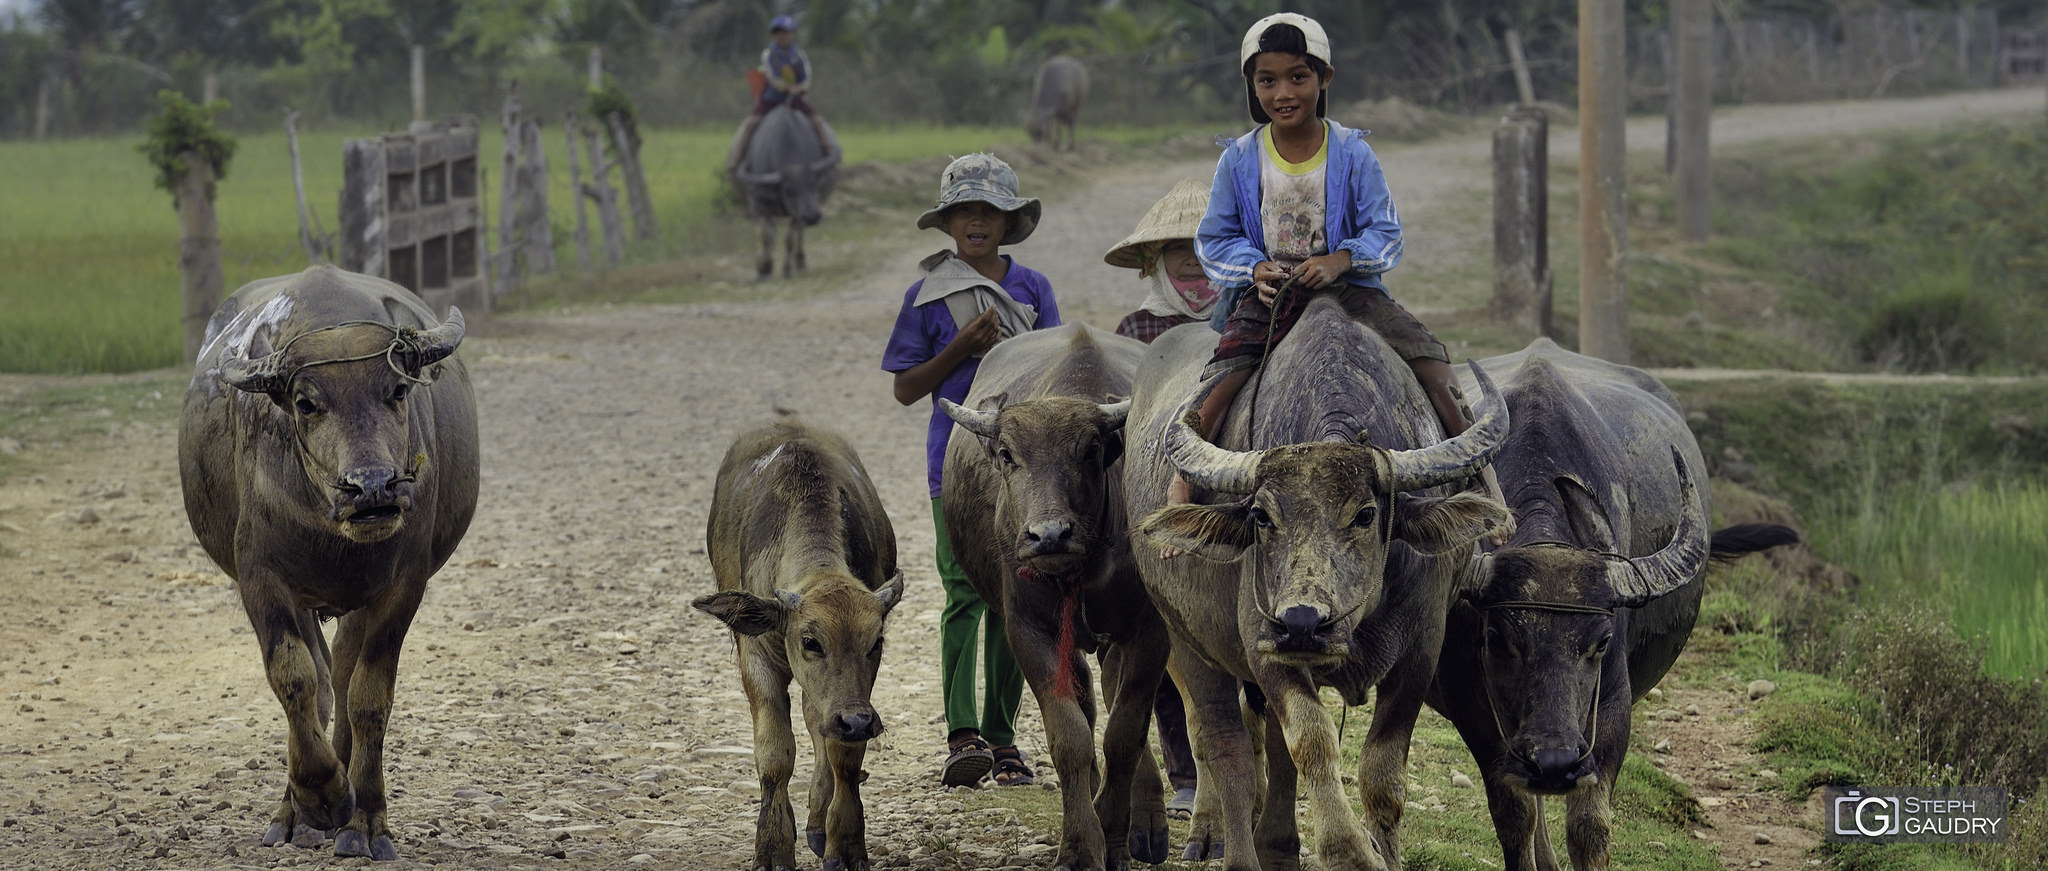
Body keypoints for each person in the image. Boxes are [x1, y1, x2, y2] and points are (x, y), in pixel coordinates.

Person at [1169, 12, 1504, 511]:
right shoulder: (1238, 158)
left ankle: (1482, 474)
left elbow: (1385, 230)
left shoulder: (1353, 152)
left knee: (1429, 356)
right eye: (1268, 80)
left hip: (1351, 292)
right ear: (1251, 85)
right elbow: (1216, 236)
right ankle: (1184, 482)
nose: (1283, 93)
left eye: (1298, 77)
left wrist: (1341, 260)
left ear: (1324, 78)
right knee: (1223, 373)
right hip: (1271, 295)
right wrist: (1254, 267)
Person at [881, 154, 1058, 788]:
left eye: (988, 210)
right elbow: (906, 389)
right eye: (964, 210)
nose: (975, 220)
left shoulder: (1033, 288)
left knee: (1014, 594)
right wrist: (960, 348)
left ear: (1008, 222)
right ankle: (963, 735)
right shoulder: (927, 297)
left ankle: (1005, 738)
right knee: (962, 592)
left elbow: (1054, 373)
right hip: (953, 467)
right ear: (948, 222)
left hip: (1025, 466)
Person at [1103, 178, 1219, 818]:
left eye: (1209, 249)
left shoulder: (1251, 321)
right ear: (1153, 264)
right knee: (1169, 646)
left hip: (1231, 506)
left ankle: (1249, 768)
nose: (1195, 265)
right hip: (1155, 503)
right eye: (1181, 253)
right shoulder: (1138, 329)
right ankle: (1182, 771)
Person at [1104, 177, 1220, 344]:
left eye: (1204, 248)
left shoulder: (1239, 321)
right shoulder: (1136, 328)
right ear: (1157, 261)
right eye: (1179, 248)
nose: (1193, 260)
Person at [726, 15, 837, 173]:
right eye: (778, 33)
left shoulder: (799, 55)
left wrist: (800, 88)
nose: (782, 36)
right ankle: (736, 158)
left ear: (792, 34)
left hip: (795, 97)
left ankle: (829, 153)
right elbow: (771, 75)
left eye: (786, 33)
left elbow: (807, 75)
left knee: (818, 121)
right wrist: (784, 87)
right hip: (773, 98)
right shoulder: (768, 54)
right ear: (773, 35)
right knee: (750, 123)